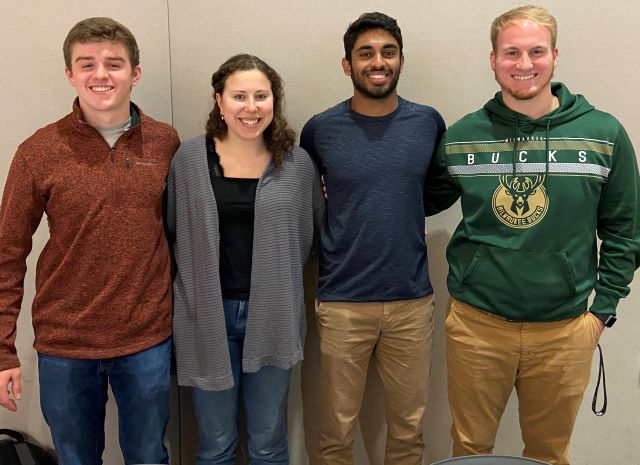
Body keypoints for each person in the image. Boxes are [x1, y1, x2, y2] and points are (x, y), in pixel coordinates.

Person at [424, 5, 640, 465]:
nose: (524, 64)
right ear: (493, 59)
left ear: (555, 55)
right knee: (469, 450)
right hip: (476, 325)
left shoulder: (604, 135)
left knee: (548, 455)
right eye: (512, 53)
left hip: (565, 330)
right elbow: (418, 200)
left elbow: (625, 231)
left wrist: (601, 312)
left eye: (536, 51)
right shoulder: (464, 137)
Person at [0, 17, 179, 465]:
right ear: (70, 74)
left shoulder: (165, 143)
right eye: (87, 64)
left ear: (135, 73)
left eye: (114, 64)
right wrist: (3, 349)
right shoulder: (38, 151)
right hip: (65, 343)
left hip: (147, 339)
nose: (101, 75)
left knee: (149, 458)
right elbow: (7, 254)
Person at [300, 12, 445, 465]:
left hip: (411, 299)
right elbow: (308, 200)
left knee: (409, 430)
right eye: (365, 53)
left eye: (387, 52)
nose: (377, 62)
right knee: (336, 432)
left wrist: (403, 213)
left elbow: (433, 190)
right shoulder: (320, 130)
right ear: (347, 65)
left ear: (401, 60)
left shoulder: (428, 123)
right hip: (343, 300)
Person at [165, 54, 324, 465]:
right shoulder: (187, 161)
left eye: (261, 96)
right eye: (239, 96)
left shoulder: (297, 164)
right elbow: (171, 230)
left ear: (275, 101)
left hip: (274, 314)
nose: (250, 107)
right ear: (219, 101)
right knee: (215, 444)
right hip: (206, 316)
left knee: (268, 441)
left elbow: (309, 236)